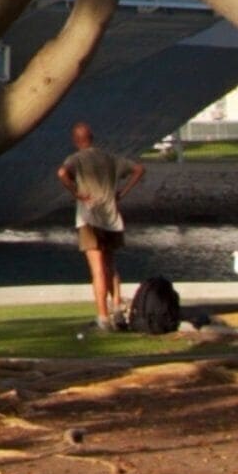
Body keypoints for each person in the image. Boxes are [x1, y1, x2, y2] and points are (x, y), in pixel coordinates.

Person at [55, 122, 143, 328]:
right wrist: (123, 192)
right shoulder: (110, 158)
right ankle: (117, 309)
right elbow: (138, 169)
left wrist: (76, 193)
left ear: (76, 140)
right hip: (111, 218)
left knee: (97, 269)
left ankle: (103, 316)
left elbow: (61, 173)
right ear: (92, 137)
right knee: (111, 266)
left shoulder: (76, 159)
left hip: (89, 218)